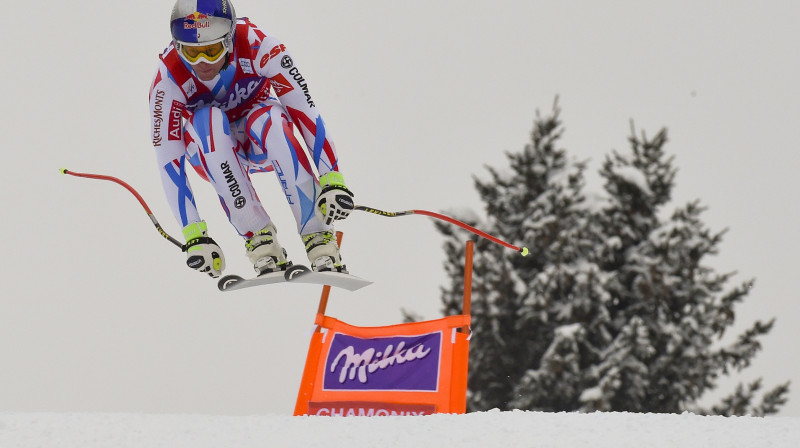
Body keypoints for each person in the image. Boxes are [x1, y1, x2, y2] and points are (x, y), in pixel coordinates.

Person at [149, 0, 355, 279]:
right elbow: (168, 159)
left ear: (230, 39)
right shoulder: (167, 78)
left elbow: (305, 111)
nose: (201, 64)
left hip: (261, 141)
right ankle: (259, 240)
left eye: (211, 51)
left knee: (269, 116)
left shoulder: (261, 47)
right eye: (190, 52)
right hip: (211, 152)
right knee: (205, 120)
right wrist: (194, 234)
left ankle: (318, 238)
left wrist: (332, 179)